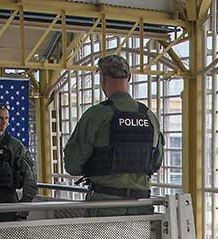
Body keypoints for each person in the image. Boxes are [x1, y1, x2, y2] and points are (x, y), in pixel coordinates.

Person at [63, 54, 164, 215]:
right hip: (142, 207)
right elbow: (156, 162)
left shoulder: (97, 115)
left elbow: (72, 164)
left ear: (102, 78)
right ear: (129, 77)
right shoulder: (149, 117)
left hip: (105, 206)